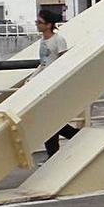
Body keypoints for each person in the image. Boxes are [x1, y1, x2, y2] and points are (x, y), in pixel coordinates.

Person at [36, 9, 79, 156]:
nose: (37, 25)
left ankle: (74, 137)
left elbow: (63, 62)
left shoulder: (58, 40)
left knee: (49, 122)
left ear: (48, 25)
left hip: (54, 85)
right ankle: (55, 152)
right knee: (49, 122)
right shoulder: (42, 41)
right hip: (44, 84)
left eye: (39, 22)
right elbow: (43, 63)